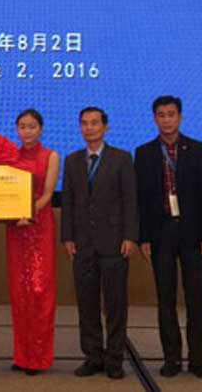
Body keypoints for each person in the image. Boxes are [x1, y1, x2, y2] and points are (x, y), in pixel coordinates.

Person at [134, 96, 202, 379]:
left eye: (171, 114)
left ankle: (198, 360)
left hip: (193, 234)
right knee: (165, 298)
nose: (166, 119)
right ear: (154, 119)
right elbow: (141, 200)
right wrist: (143, 237)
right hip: (160, 234)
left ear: (180, 117)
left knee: (196, 298)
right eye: (161, 115)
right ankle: (171, 358)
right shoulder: (143, 153)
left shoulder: (199, 150)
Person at [61, 107, 138, 380]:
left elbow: (130, 200)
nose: (89, 128)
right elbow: (68, 202)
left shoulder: (121, 158)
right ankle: (93, 356)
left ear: (105, 127)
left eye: (95, 123)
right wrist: (67, 237)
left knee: (116, 303)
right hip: (82, 244)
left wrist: (130, 236)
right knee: (87, 302)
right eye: (84, 123)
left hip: (115, 242)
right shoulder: (71, 161)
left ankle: (115, 358)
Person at [5, 109, 60, 375]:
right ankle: (22, 355)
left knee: (40, 291)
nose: (27, 131)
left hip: (38, 226)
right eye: (22, 126)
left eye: (32, 126)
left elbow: (48, 193)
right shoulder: (9, 157)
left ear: (41, 129)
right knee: (19, 293)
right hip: (15, 230)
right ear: (17, 129)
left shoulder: (51, 156)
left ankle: (38, 357)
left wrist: (29, 211)